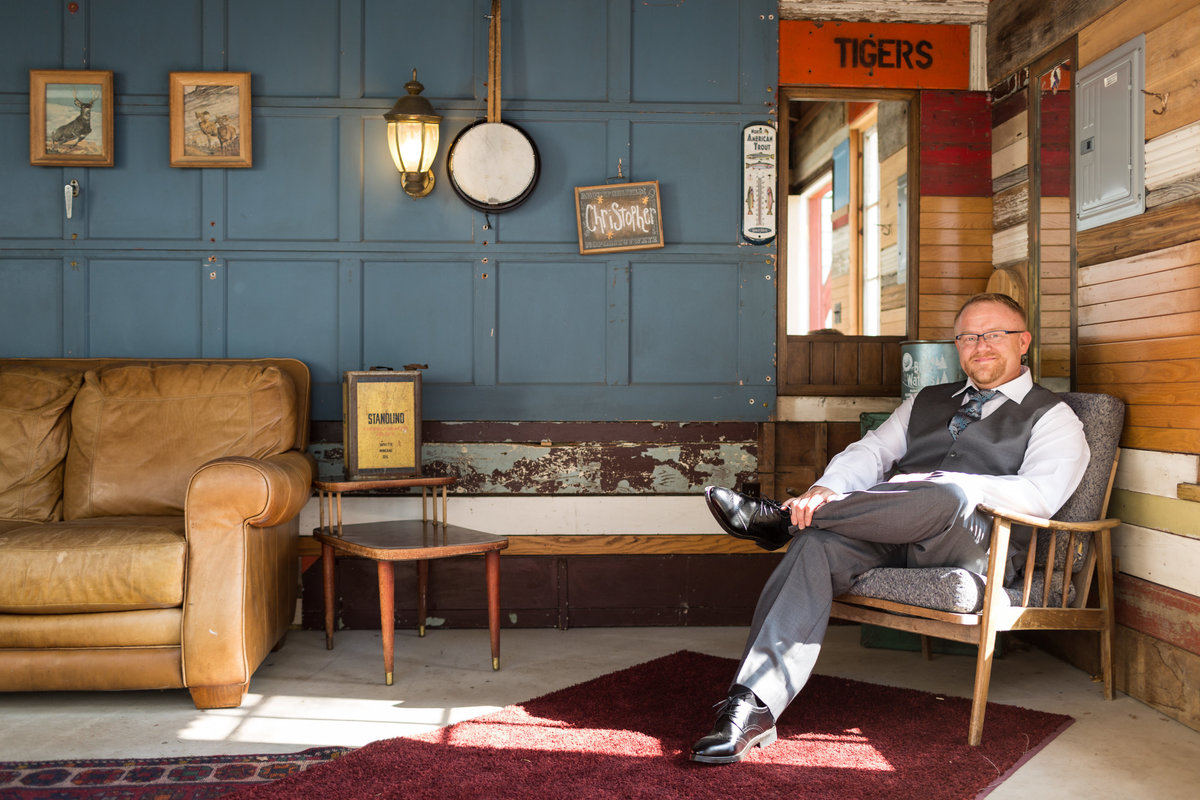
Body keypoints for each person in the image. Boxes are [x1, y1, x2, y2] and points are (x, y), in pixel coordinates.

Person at [690, 292, 1090, 764]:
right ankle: (752, 706)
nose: (980, 346)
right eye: (967, 337)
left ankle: (781, 521)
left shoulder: (1053, 416)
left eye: (994, 334)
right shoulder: (927, 401)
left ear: (1023, 342)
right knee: (816, 545)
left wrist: (951, 485)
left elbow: (1040, 497)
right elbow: (871, 453)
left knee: (950, 493)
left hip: (974, 543)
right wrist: (823, 489)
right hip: (890, 530)